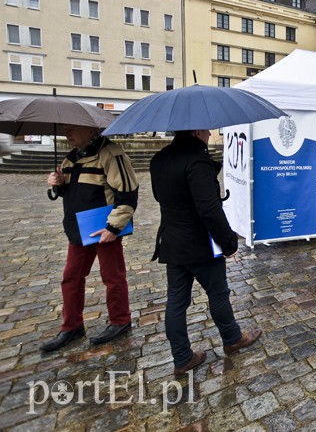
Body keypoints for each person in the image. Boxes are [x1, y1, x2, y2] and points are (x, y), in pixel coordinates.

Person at [150, 130, 262, 375]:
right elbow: (209, 210)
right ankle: (232, 338)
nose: (210, 133)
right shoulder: (196, 161)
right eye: (207, 129)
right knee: (218, 293)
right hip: (199, 245)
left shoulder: (159, 158)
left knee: (176, 302)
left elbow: (160, 196)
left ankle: (181, 358)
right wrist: (229, 242)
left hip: (173, 242)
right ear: (196, 131)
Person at [41, 125, 138, 352]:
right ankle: (72, 326)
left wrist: (114, 227)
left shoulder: (111, 154)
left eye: (73, 130)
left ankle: (120, 320)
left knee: (112, 276)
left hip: (104, 226)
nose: (68, 134)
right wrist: (57, 183)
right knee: (71, 277)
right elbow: (69, 190)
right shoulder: (71, 158)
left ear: (90, 130)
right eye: (66, 130)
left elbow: (128, 193)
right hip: (79, 228)